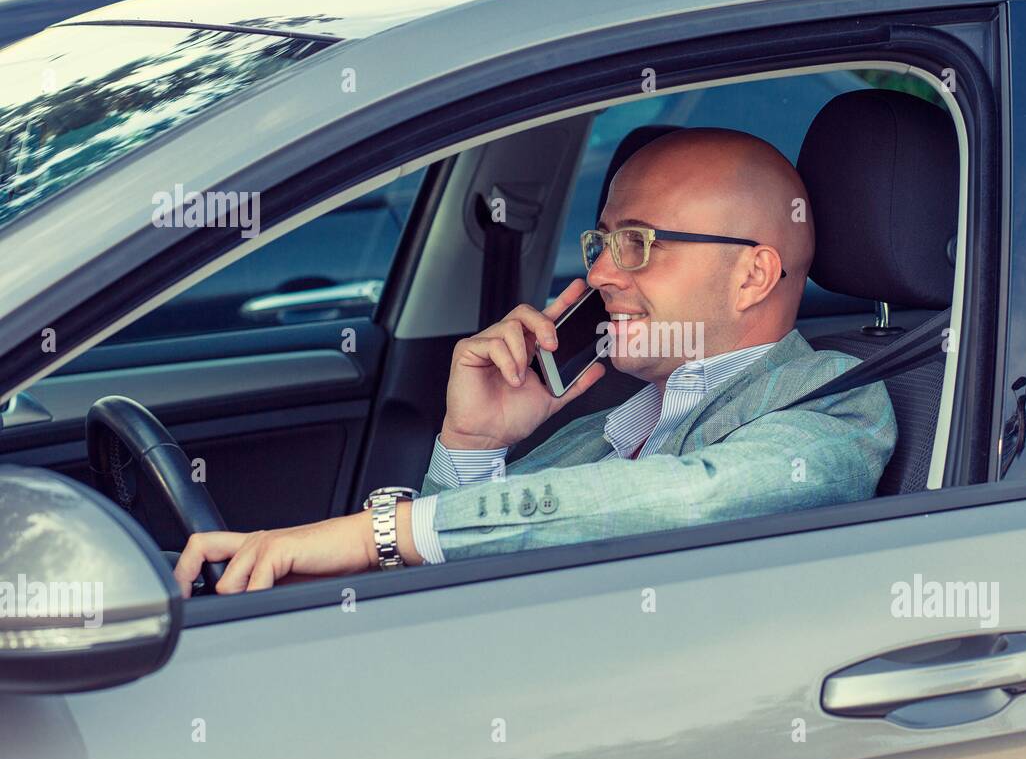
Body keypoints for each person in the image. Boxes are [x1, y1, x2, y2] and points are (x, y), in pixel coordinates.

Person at [175, 128, 896, 595]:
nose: (603, 275)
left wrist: (375, 536)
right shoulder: (607, 428)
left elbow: (692, 499)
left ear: (753, 275)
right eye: (602, 243)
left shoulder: (834, 409)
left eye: (638, 243)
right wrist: (474, 447)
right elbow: (480, 567)